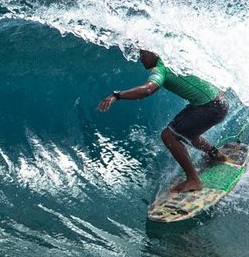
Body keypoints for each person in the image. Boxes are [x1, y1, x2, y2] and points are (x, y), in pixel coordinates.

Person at [98, 49, 230, 193]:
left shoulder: (160, 69)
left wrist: (116, 95)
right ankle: (216, 155)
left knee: (169, 136)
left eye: (143, 53)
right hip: (218, 102)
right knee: (187, 132)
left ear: (155, 53)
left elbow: (148, 90)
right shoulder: (173, 59)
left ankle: (194, 180)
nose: (140, 57)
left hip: (210, 107)